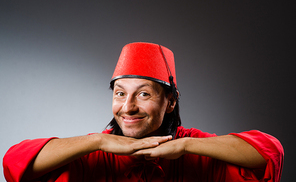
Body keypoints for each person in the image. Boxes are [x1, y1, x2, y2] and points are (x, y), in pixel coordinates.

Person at [3, 42, 284, 182]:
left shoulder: (194, 147)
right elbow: (15, 163)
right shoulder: (97, 151)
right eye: (120, 93)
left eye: (144, 94)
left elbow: (269, 152)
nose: (128, 107)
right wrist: (98, 141)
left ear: (170, 101)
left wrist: (184, 146)